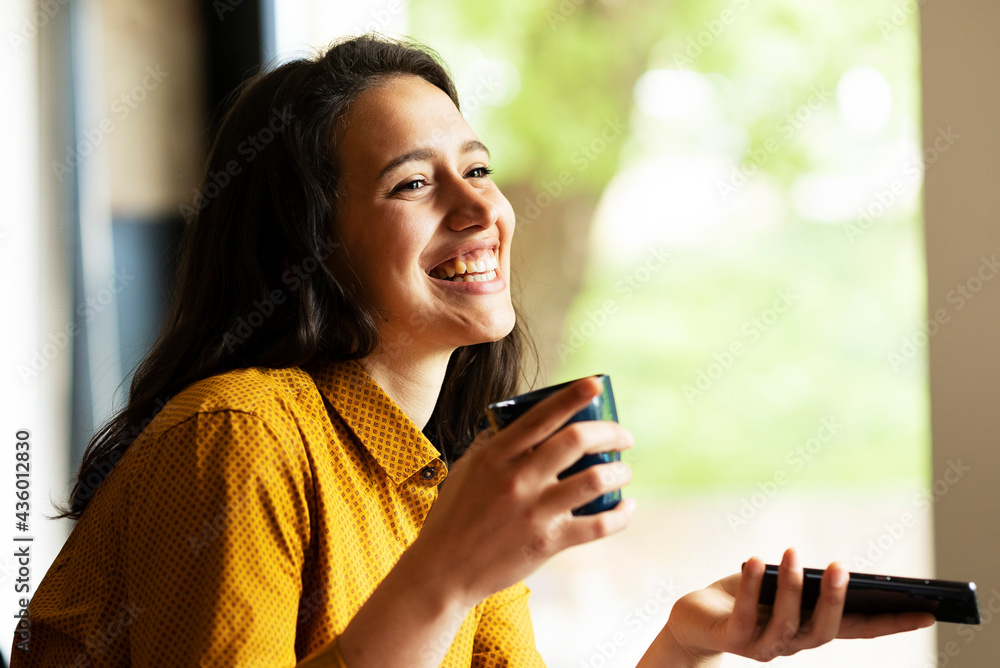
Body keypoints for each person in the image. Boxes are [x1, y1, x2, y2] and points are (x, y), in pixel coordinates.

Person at [12, 34, 933, 667]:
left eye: (479, 168)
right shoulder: (236, 436)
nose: (480, 208)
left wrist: (686, 642)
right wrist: (446, 572)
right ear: (308, 250)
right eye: (414, 182)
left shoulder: (436, 483)